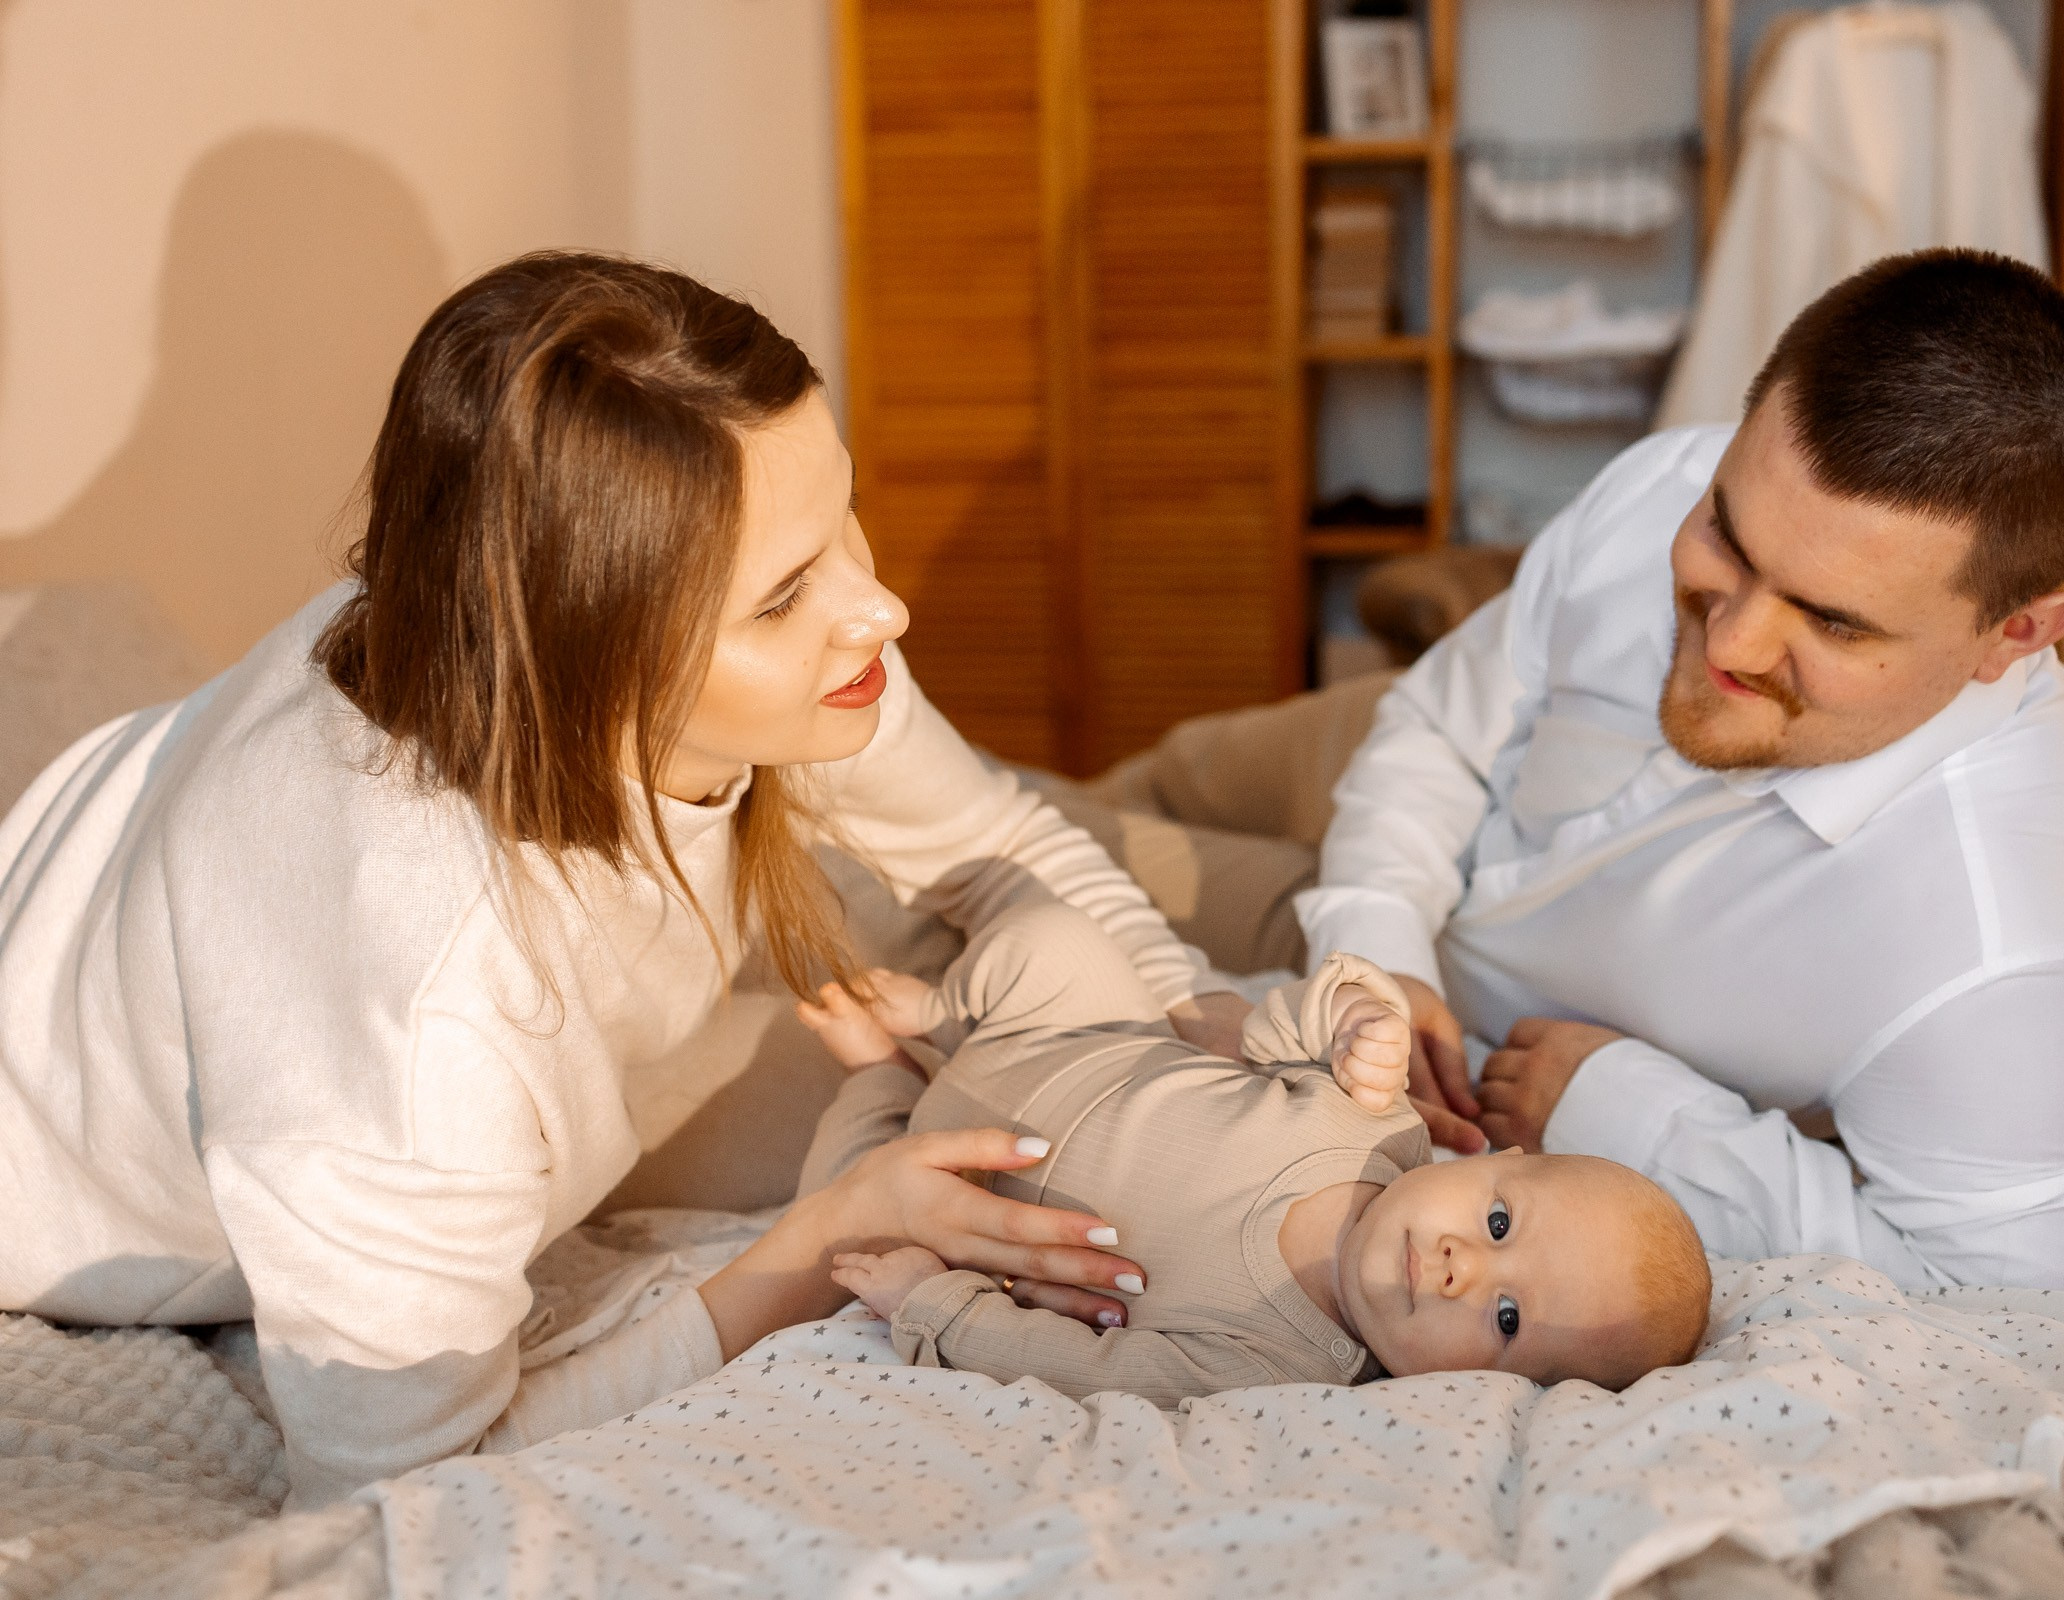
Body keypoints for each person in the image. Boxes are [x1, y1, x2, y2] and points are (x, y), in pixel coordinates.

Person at [0, 253, 1247, 1506]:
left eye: (843, 519)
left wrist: (1202, 1036)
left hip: (112, 874)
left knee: (1115, 938)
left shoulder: (570, 602)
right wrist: (825, 1240)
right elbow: (411, 1492)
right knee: (972, 1101)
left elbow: (998, 846)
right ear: (591, 659)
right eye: (783, 599)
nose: (883, 611)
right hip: (75, 1146)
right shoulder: (411, 1027)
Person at [1297, 249, 2064, 1296]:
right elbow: (1438, 723)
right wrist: (1377, 942)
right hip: (1396, 803)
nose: (1734, 643)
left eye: (1833, 620)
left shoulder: (1989, 948)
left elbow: (2041, 1311)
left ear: (2014, 633)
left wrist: (1633, 1114)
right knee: (1135, 792)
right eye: (1728, 541)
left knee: (1081, 891)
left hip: (1422, 909)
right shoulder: (1662, 481)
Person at [793, 903, 1711, 1403]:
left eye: (1505, 1320)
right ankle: (944, 1018)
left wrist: (934, 1305)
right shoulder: (1378, 1122)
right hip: (1069, 1034)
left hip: (961, 1189)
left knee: (843, 1214)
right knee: (1055, 937)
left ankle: (881, 1075)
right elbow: (1278, 1035)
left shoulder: (1280, 1365)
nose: (1457, 1267)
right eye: (1498, 1221)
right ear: (1479, 1159)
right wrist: (1357, 1015)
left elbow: (1086, 1370)